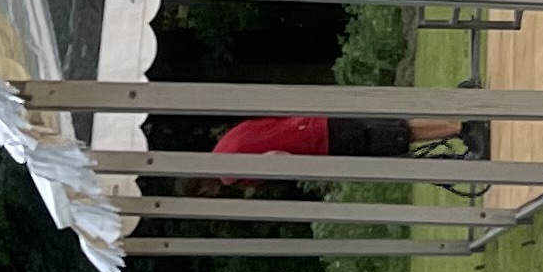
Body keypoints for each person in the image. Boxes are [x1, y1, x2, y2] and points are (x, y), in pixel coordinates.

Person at [190, 111, 477, 196]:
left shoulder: (228, 173)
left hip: (321, 144)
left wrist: (315, 172)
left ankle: (460, 128)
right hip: (314, 124)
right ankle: (456, 125)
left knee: (395, 137)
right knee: (393, 128)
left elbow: (275, 161)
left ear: (203, 186)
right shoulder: (225, 144)